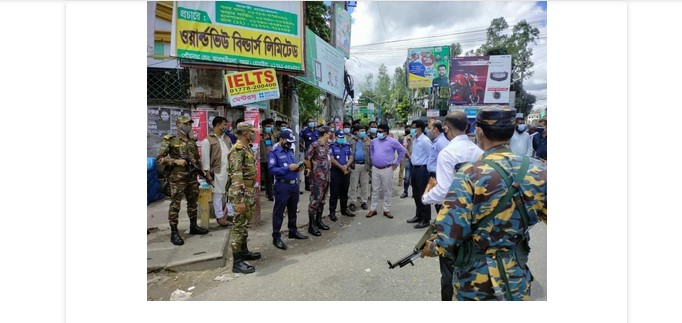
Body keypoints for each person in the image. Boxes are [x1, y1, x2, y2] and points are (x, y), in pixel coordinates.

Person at [420, 106, 547, 301]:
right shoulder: (539, 171)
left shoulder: (469, 173)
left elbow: (449, 236)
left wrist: (431, 248)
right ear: (513, 130)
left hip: (474, 282)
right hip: (515, 279)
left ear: (479, 131)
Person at [420, 111, 483, 301]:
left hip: (452, 215)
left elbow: (445, 190)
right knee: (470, 259)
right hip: (477, 215)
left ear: (446, 127)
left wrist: (426, 198)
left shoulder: (447, 153)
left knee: (448, 263)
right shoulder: (479, 152)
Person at [156, 116, 210, 246]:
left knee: (193, 203)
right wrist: (175, 161)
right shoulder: (170, 140)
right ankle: (174, 232)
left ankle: (193, 226)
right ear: (179, 125)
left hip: (191, 177)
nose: (189, 126)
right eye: (186, 124)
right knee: (175, 204)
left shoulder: (192, 141)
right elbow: (159, 158)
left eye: (190, 124)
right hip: (177, 178)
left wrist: (202, 172)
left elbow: (196, 160)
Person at [226, 122, 262, 274]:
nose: (254, 134)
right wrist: (239, 199)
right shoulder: (238, 150)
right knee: (238, 226)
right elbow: (236, 175)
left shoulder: (246, 148)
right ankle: (237, 262)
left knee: (244, 224)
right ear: (246, 133)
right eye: (252, 132)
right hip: (241, 194)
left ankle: (244, 251)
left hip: (248, 191)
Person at [268, 129, 309, 250]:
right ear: (281, 139)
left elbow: (293, 166)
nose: (290, 144)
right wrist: (287, 169)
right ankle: (276, 236)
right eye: (288, 141)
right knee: (279, 212)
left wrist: (298, 168)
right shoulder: (274, 153)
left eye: (292, 142)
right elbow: (271, 170)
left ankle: (293, 230)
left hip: (293, 185)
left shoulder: (290, 151)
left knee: (293, 210)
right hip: (282, 186)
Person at [366, 124, 406, 219]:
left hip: (387, 169)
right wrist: (373, 159)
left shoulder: (393, 141)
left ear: (386, 133)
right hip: (375, 168)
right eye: (377, 131)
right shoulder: (374, 141)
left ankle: (386, 209)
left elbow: (402, 151)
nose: (378, 133)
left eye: (380, 132)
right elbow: (371, 150)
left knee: (387, 190)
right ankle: (373, 209)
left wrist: (396, 163)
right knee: (375, 190)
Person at [200, 116, 234, 227]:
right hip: (217, 172)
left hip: (228, 171)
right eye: (224, 124)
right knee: (218, 195)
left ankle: (230, 214)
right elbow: (205, 159)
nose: (226, 126)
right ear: (218, 125)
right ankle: (219, 217)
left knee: (229, 194)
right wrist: (207, 174)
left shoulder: (227, 139)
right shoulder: (207, 140)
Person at [304, 126, 334, 236]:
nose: (331, 135)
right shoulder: (315, 145)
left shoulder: (327, 145)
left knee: (322, 200)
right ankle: (311, 225)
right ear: (325, 134)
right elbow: (307, 158)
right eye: (330, 133)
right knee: (315, 201)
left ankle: (319, 221)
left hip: (327, 177)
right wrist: (310, 169)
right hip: (317, 178)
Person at [408, 119, 433, 228]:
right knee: (416, 194)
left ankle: (426, 219)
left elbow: (430, 156)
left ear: (419, 129)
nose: (412, 129)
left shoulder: (425, 140)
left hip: (422, 169)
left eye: (414, 127)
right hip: (415, 168)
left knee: (423, 194)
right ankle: (418, 215)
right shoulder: (415, 139)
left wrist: (428, 171)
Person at [329, 130, 356, 220]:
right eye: (340, 137)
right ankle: (332, 212)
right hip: (336, 172)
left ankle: (344, 210)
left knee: (344, 192)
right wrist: (341, 167)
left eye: (342, 137)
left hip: (345, 172)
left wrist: (346, 165)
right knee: (334, 193)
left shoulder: (347, 146)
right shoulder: (332, 146)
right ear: (336, 137)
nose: (342, 139)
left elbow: (351, 157)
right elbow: (332, 160)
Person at [424, 120, 449, 214]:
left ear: (436, 130)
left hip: (438, 175)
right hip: (434, 174)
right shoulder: (436, 141)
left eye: (430, 128)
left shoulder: (441, 142)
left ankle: (442, 224)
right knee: (437, 202)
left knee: (439, 202)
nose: (428, 130)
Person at [348, 124, 371, 212]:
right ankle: (352, 203)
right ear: (356, 132)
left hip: (365, 165)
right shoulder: (352, 140)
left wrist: (370, 165)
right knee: (353, 185)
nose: (363, 132)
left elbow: (371, 153)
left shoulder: (367, 140)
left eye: (364, 131)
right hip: (355, 165)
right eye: (361, 131)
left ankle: (363, 201)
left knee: (364, 185)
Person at [300, 117, 319, 191]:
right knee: (308, 168)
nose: (311, 123)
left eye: (313, 121)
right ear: (307, 123)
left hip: (316, 153)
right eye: (310, 121)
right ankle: (307, 185)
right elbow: (299, 140)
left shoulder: (317, 131)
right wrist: (303, 148)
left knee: (316, 169)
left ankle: (314, 184)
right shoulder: (304, 131)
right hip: (308, 153)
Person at [259, 118, 276, 201]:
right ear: (263, 127)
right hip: (261, 159)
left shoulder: (272, 134)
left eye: (270, 126)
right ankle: (267, 194)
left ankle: (270, 193)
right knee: (263, 177)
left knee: (270, 177)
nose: (269, 128)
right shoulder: (259, 135)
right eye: (267, 126)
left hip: (270, 158)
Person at [399, 125, 413, 198]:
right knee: (407, 177)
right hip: (408, 159)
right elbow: (405, 148)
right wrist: (410, 157)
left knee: (414, 178)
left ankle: (414, 193)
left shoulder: (418, 138)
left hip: (417, 161)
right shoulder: (407, 138)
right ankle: (405, 192)